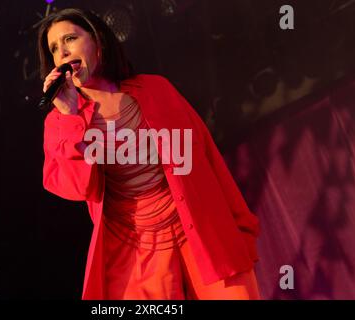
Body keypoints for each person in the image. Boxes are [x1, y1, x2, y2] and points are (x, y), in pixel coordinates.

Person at [38, 8, 261, 300]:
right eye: (54, 49)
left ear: (97, 41)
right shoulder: (59, 122)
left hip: (201, 236)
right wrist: (69, 117)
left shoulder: (156, 89)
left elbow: (208, 160)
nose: (63, 52)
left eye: (70, 38)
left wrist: (241, 228)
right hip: (136, 257)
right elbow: (77, 187)